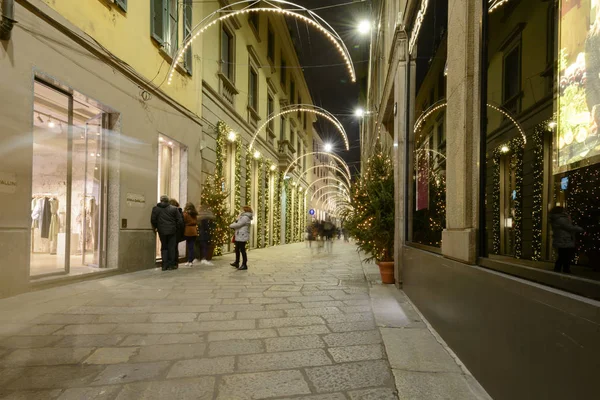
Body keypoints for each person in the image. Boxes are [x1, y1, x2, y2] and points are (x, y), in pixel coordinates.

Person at [151, 195, 183, 271]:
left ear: (161, 200)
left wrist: (157, 227)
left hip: (162, 231)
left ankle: (164, 265)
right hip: (172, 231)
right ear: (168, 201)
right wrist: (176, 228)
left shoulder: (156, 209)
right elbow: (180, 220)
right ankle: (171, 265)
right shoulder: (174, 209)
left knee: (164, 247)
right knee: (171, 248)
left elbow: (153, 220)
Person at [549, 206, 584, 273]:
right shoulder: (561, 219)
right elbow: (569, 227)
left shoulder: (557, 218)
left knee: (563, 255)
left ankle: (560, 269)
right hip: (564, 240)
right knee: (565, 256)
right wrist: (580, 229)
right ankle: (564, 269)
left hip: (562, 239)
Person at [229, 205, 253, 270]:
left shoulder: (245, 217)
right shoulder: (242, 216)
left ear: (245, 210)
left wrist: (231, 225)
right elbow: (237, 222)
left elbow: (239, 224)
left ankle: (244, 264)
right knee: (237, 249)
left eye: (242, 209)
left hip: (242, 235)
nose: (241, 210)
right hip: (239, 234)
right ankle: (237, 262)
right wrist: (238, 218)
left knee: (242, 250)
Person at [169, 198, 184, 268]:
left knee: (172, 247)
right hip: (178, 232)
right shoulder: (180, 211)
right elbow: (182, 222)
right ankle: (175, 263)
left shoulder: (172, 211)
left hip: (173, 231)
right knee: (175, 247)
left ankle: (173, 262)